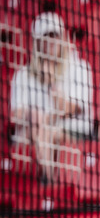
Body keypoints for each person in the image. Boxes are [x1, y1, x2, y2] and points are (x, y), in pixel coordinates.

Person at [10, 11, 93, 182]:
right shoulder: (23, 75)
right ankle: (44, 182)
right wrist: (35, 117)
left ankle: (48, 182)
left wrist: (51, 84)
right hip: (32, 130)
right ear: (37, 42)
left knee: (45, 130)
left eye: (54, 36)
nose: (51, 42)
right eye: (46, 37)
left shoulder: (80, 68)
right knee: (37, 124)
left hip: (72, 129)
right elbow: (15, 114)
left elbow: (73, 108)